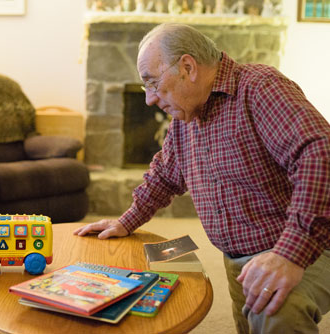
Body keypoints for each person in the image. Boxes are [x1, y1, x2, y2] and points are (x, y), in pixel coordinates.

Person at [74, 23, 330, 334]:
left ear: (187, 67)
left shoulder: (260, 88)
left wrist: (290, 255)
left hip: (306, 244)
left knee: (276, 314)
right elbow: (166, 174)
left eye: (152, 83)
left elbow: (320, 153)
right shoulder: (187, 113)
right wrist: (126, 221)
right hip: (240, 257)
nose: (149, 100)